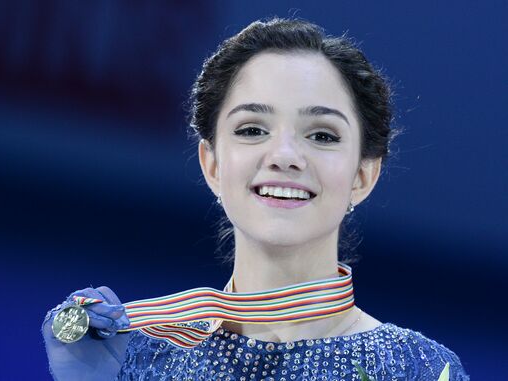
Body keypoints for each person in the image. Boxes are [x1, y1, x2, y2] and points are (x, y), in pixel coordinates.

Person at [42, 17, 471, 380]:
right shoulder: (145, 360)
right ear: (211, 164)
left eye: (321, 135)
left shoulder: (420, 370)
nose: (284, 156)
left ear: (363, 175)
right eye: (252, 129)